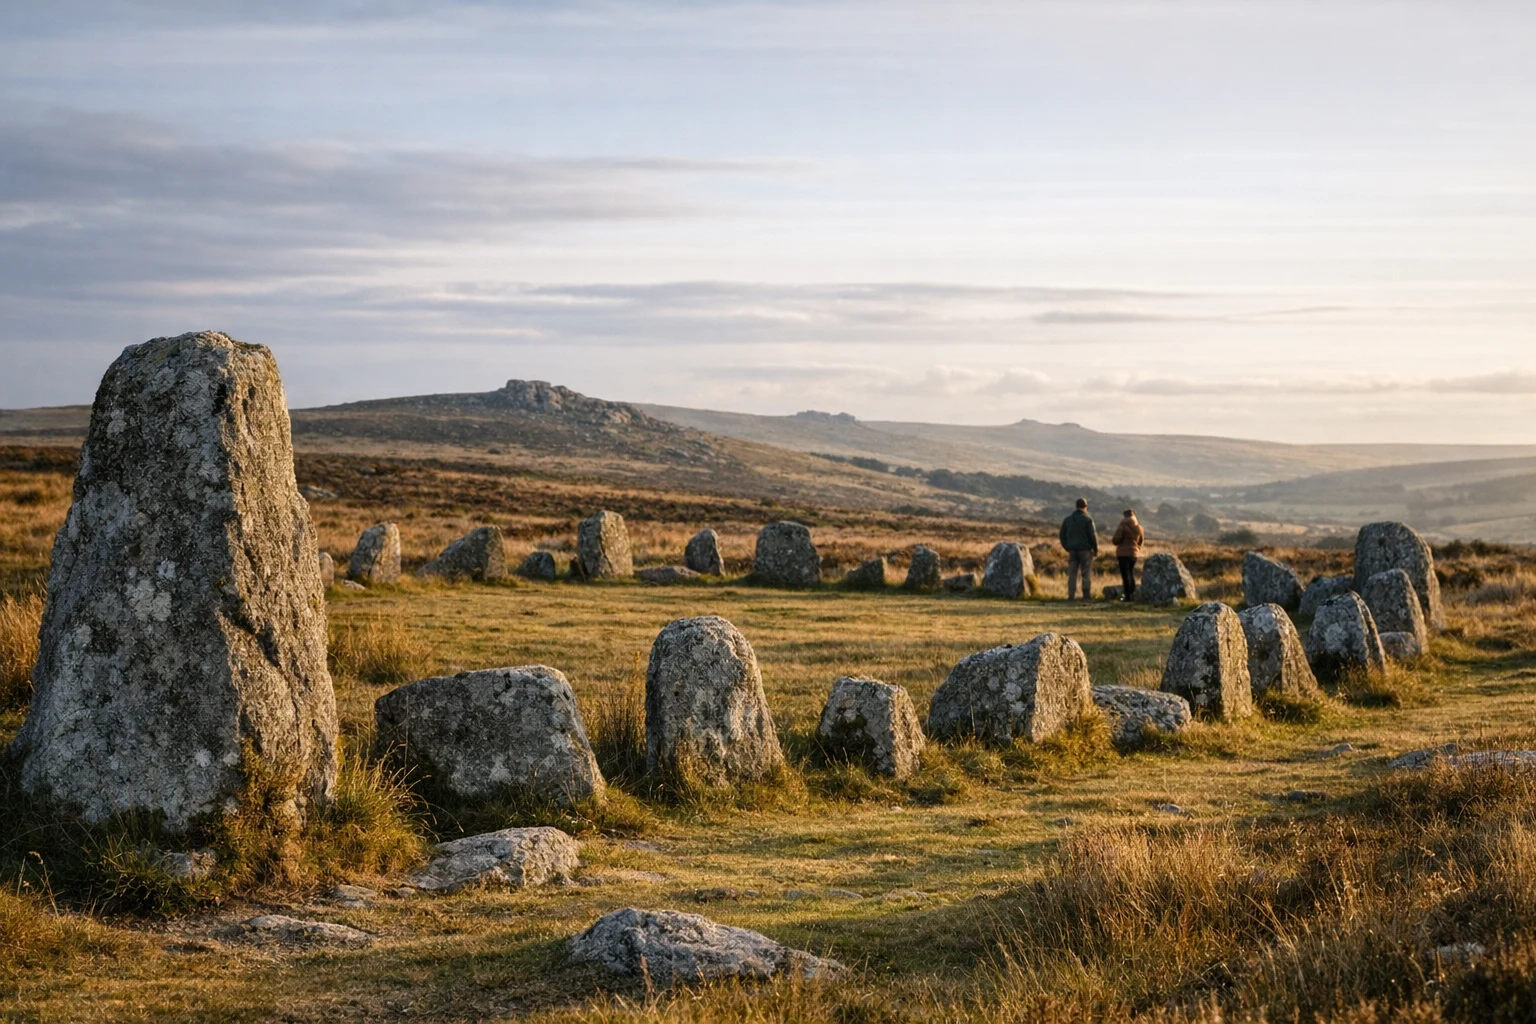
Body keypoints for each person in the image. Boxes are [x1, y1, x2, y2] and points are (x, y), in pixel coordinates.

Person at [1059, 498, 1098, 600]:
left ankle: (1071, 596)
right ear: (1085, 507)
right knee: (1086, 572)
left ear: (1076, 506)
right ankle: (1086, 595)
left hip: (1072, 550)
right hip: (1085, 550)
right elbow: (1092, 536)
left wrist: (1066, 546)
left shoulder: (1068, 519)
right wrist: (1095, 549)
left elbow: (1062, 535)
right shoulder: (1088, 520)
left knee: (1072, 574)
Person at [1111, 508, 1144, 602]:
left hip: (1123, 553)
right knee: (1131, 573)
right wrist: (1137, 548)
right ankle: (1133, 595)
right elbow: (1141, 541)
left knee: (1125, 575)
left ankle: (1127, 596)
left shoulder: (1122, 526)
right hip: (1134, 554)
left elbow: (1115, 540)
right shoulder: (1139, 527)